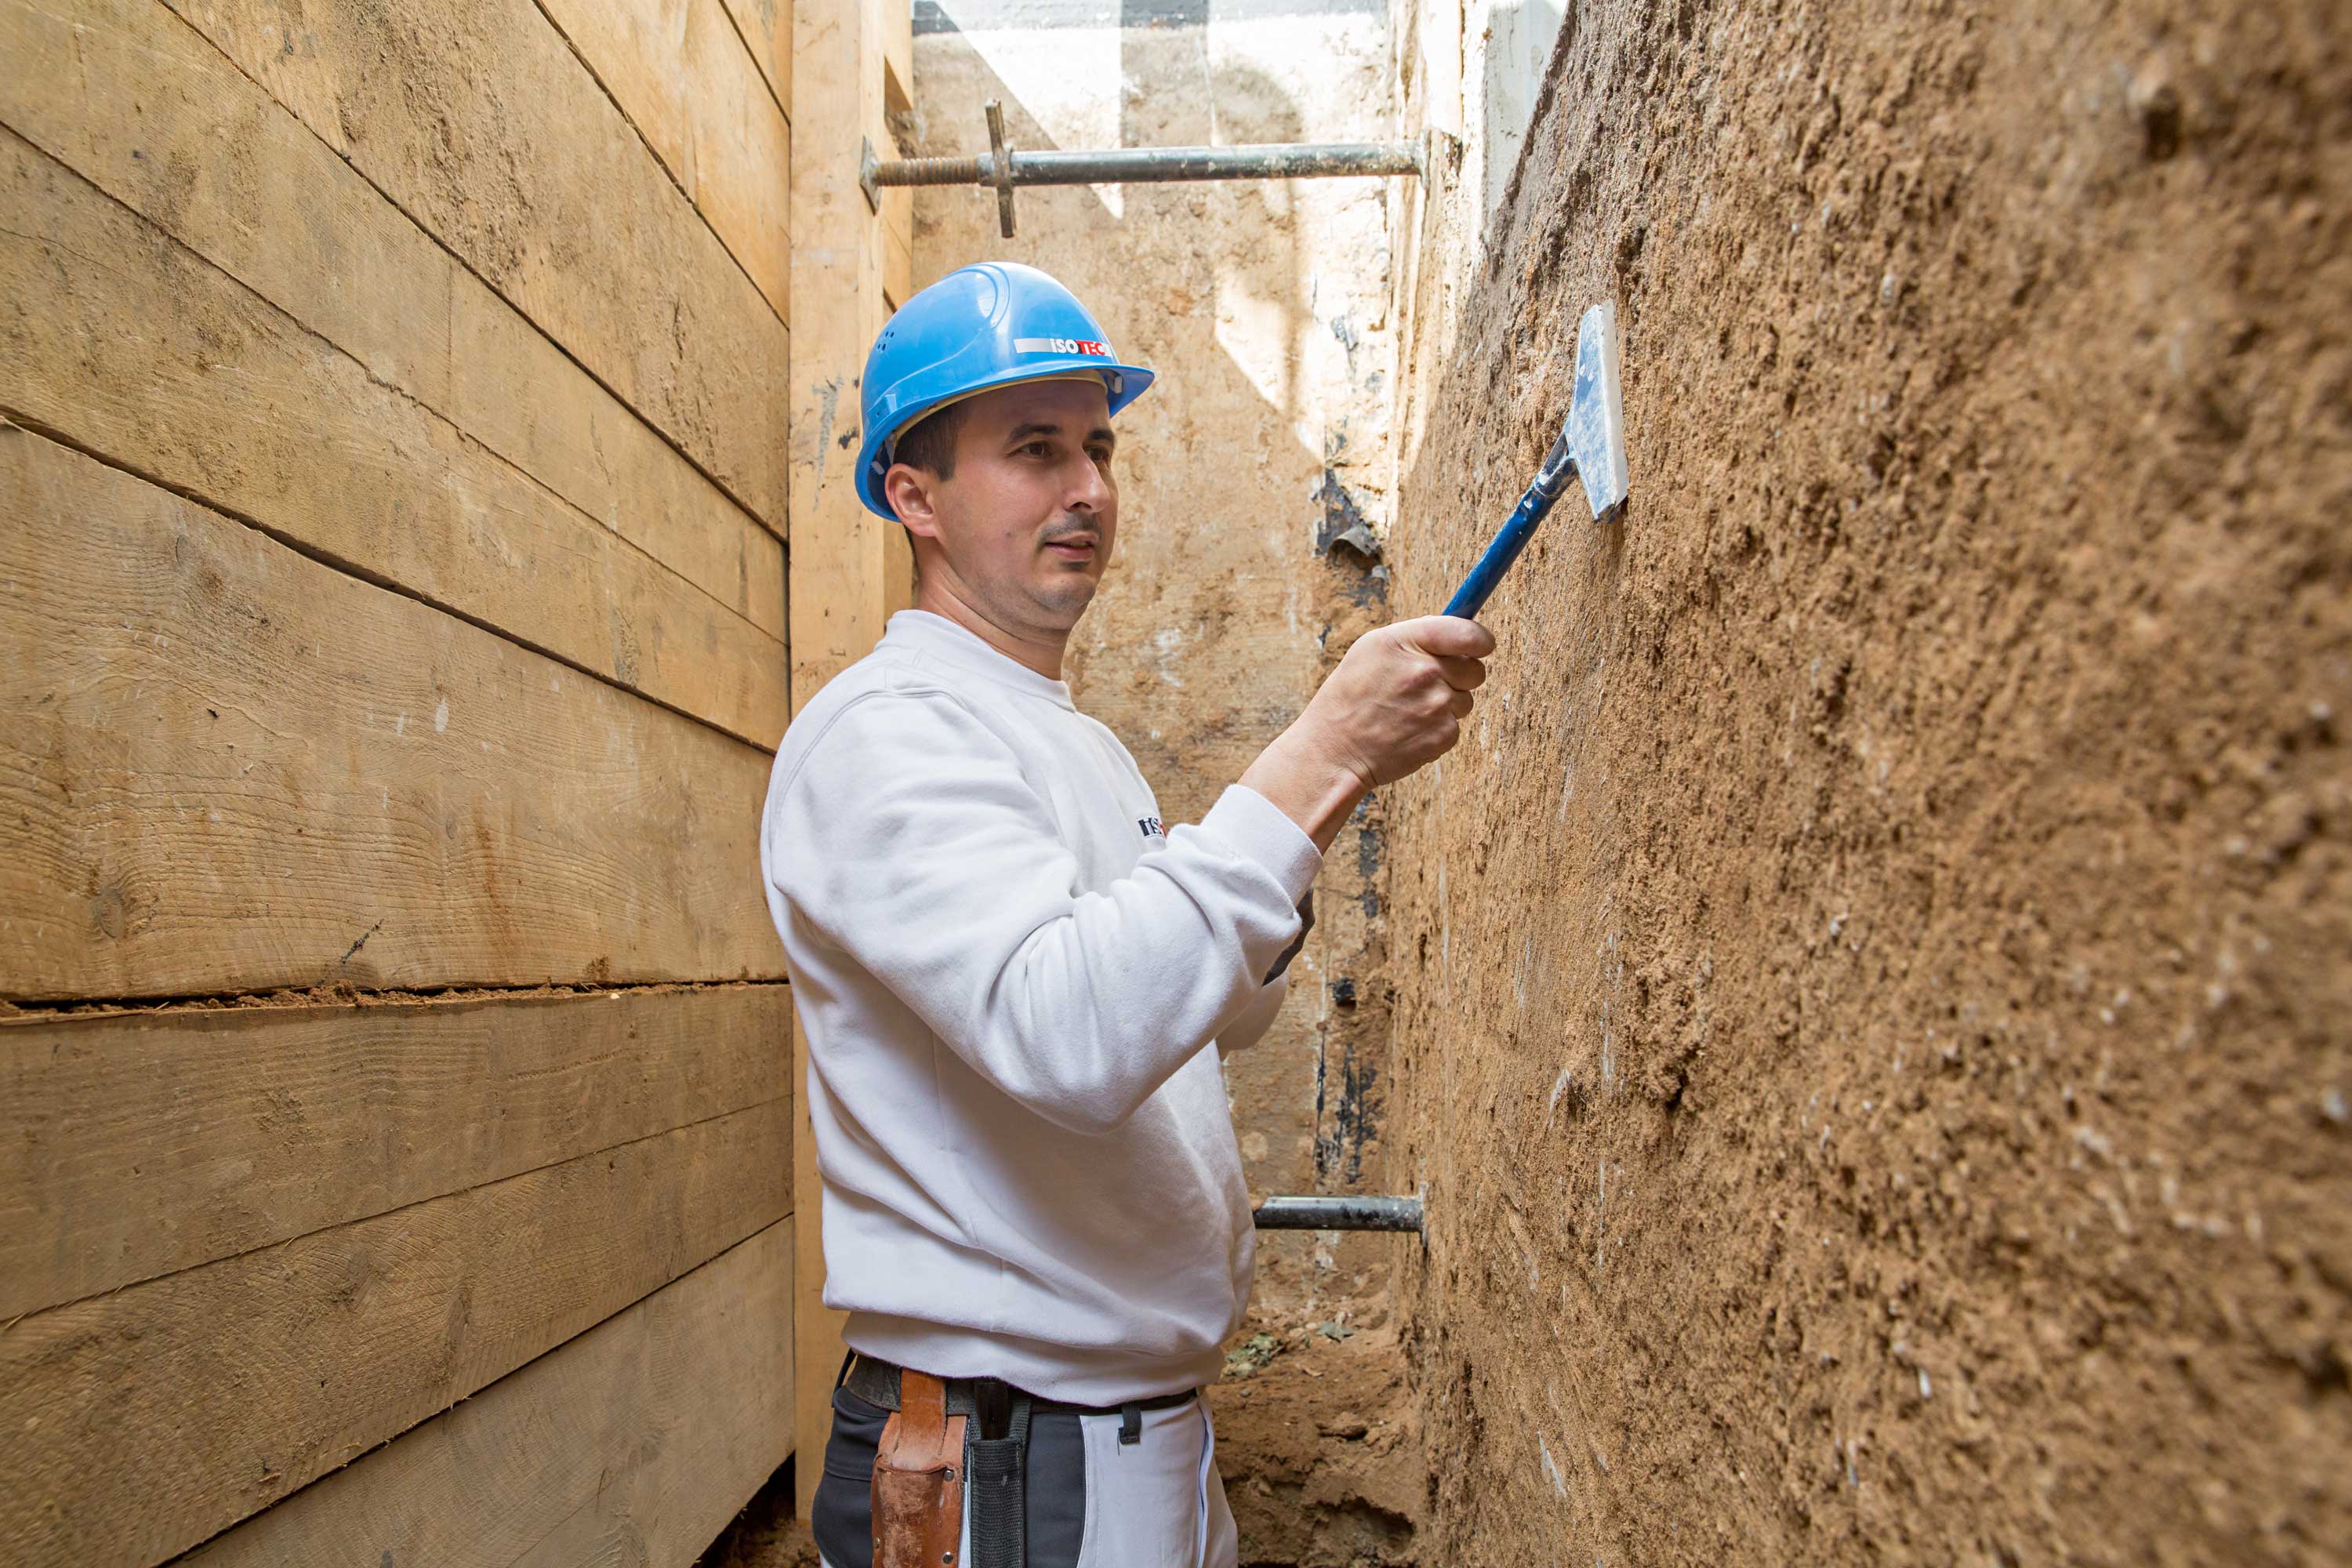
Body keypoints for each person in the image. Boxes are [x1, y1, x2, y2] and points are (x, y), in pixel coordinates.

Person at [760, 261, 1490, 1568]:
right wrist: (1319, 758)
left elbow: (1210, 1016)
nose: (1088, 488)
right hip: (1010, 1469)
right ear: (912, 495)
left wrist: (1304, 814)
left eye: (1097, 446)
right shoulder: (885, 734)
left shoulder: (1069, 743)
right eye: (1034, 450)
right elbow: (1072, 1034)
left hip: (1117, 1449)